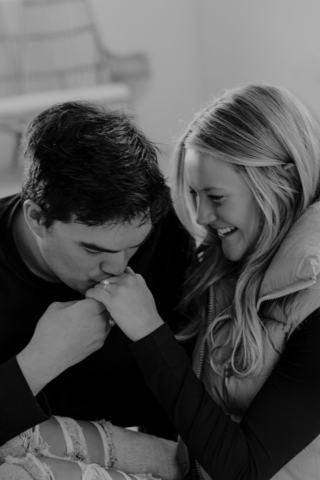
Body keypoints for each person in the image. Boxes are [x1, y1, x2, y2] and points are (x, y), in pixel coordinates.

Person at [81, 83, 320, 480]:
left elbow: (244, 469)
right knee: (25, 443)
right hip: (192, 466)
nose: (203, 216)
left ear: (283, 181)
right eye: (193, 194)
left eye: (216, 196)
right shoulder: (227, 261)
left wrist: (148, 332)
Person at [0, 101, 191, 466]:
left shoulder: (166, 236)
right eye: (91, 248)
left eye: (134, 246)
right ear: (37, 217)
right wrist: (39, 362)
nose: (118, 268)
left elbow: (194, 395)